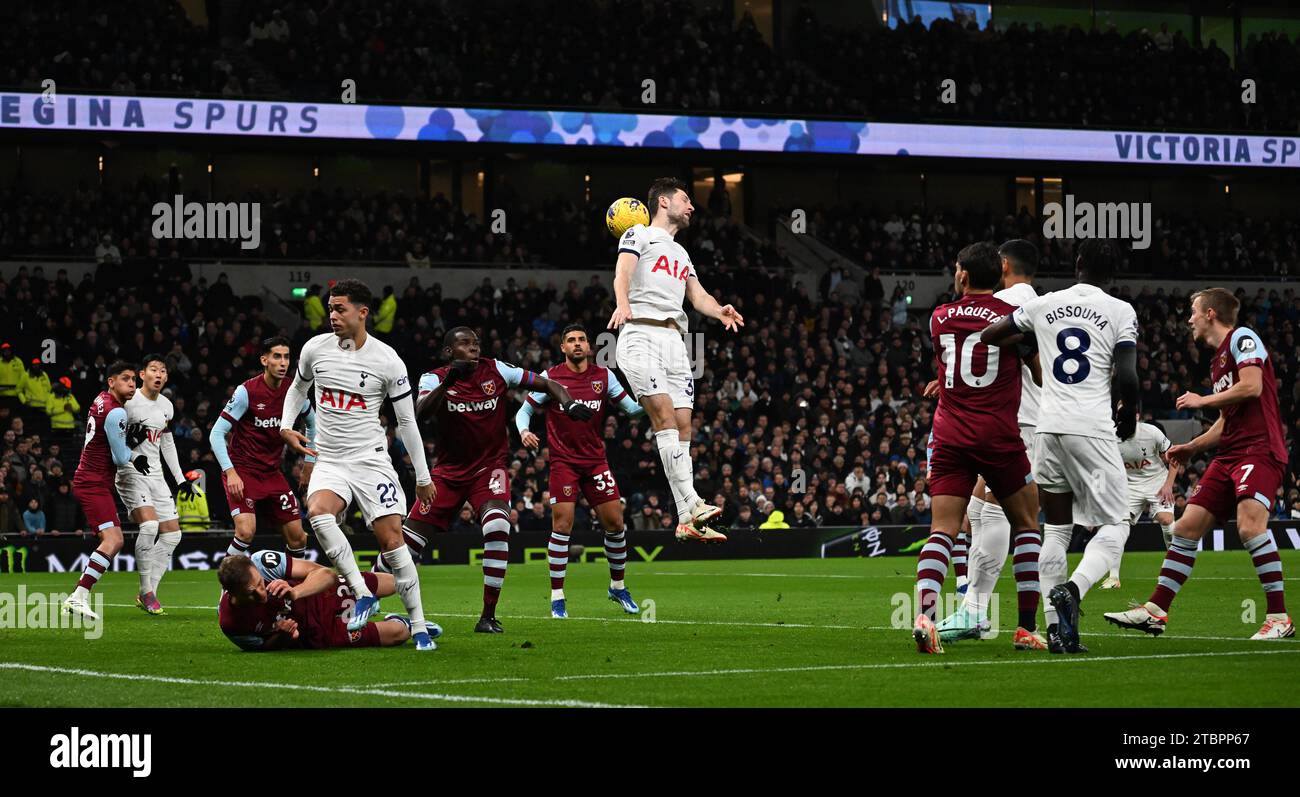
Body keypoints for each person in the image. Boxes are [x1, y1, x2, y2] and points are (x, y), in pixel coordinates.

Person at [1106, 288, 1293, 640]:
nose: (1189, 318)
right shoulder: (1217, 360)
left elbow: (1252, 388)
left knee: (1251, 528)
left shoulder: (1243, 337)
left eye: (1193, 311)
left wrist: (1202, 399)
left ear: (1210, 313)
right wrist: (1191, 447)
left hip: (1259, 449)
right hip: (1230, 454)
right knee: (1186, 528)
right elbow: (1226, 420)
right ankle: (1155, 611)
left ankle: (1279, 618)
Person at [983, 238, 1140, 654]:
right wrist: (1129, 412)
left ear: (1077, 264)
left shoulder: (1045, 303)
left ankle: (1057, 633)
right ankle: (1074, 588)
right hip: (1090, 427)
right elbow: (1127, 374)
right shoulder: (1120, 310)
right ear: (1112, 274)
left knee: (1056, 529)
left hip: (1048, 429)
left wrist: (1033, 344)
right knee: (1117, 524)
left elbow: (990, 335)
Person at [279, 279, 439, 651]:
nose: (332, 316)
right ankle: (361, 588)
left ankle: (417, 625)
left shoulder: (387, 360)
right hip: (330, 459)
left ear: (362, 313)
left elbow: (407, 423)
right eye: (331, 309)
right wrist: (287, 426)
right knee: (318, 513)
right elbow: (297, 390)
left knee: (392, 542)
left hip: (370, 462)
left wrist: (423, 476)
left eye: (340, 309)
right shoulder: (314, 349)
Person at [404, 326, 588, 633]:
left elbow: (546, 383)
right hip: (448, 474)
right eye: (465, 344)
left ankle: (488, 616)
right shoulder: (433, 377)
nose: (474, 348)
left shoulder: (497, 369)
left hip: (489, 470)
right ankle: (364, 597)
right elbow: (421, 413)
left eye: (476, 343)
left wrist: (568, 402)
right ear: (450, 352)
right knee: (404, 548)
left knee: (499, 525)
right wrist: (451, 379)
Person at [913, 242, 1045, 655]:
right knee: (1026, 523)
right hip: (999, 436)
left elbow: (951, 363)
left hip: (950, 434)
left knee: (942, 531)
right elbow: (1039, 374)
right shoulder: (1013, 319)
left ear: (963, 276)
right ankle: (1025, 627)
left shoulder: (938, 317)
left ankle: (924, 616)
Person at [607, 177, 744, 543]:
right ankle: (694, 501)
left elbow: (697, 297)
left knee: (683, 427)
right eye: (686, 199)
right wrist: (623, 302)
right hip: (641, 335)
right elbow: (623, 272)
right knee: (665, 419)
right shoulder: (637, 235)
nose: (692, 206)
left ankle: (686, 519)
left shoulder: (682, 253)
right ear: (664, 203)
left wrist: (719, 311)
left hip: (676, 342)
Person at [516, 324, 645, 619]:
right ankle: (557, 597)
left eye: (581, 340)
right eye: (571, 340)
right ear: (563, 347)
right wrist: (524, 431)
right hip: (564, 463)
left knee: (615, 523)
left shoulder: (604, 376)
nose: (577, 344)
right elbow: (523, 411)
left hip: (596, 462)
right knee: (562, 527)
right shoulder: (551, 378)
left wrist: (657, 400)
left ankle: (618, 586)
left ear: (589, 346)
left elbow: (632, 409)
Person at [209, 336, 315, 558]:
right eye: (277, 356)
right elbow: (216, 434)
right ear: (264, 360)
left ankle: (289, 589)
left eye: (286, 357)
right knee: (246, 532)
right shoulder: (246, 392)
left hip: (272, 473)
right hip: (243, 471)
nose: (283, 362)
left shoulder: (294, 391)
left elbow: (313, 424)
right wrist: (231, 473)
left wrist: (309, 464)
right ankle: (226, 589)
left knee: (299, 537)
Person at [217, 550, 429, 651]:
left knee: (396, 583)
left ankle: (407, 616)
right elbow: (263, 648)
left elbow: (325, 574)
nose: (261, 595)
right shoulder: (231, 624)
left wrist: (296, 591)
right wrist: (284, 635)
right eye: (252, 594)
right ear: (230, 593)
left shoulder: (264, 563)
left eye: (261, 585)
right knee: (399, 634)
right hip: (315, 633)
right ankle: (404, 622)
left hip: (319, 594)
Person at [115, 354, 196, 615]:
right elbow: (113, 438)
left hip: (157, 475)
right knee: (150, 526)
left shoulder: (166, 406)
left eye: (163, 371)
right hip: (130, 471)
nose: (158, 374)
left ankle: (149, 592)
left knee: (173, 535)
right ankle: (146, 590)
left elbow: (167, 443)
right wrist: (128, 440)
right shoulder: (128, 402)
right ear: (142, 374)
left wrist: (180, 479)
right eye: (153, 370)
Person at [62, 361, 137, 621]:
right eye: (125, 379)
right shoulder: (117, 413)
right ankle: (78, 597)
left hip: (91, 479)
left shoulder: (100, 400)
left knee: (115, 538)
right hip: (93, 482)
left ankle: (77, 595)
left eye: (134, 380)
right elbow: (120, 458)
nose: (132, 384)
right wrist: (132, 446)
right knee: (114, 540)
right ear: (111, 381)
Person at [1101, 419, 1178, 589]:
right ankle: (1113, 578)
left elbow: (1175, 458)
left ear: (1136, 415)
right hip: (1130, 487)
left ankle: (1174, 569)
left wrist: (1168, 485)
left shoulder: (1151, 432)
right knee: (1117, 526)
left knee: (1167, 522)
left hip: (1157, 481)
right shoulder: (1110, 437)